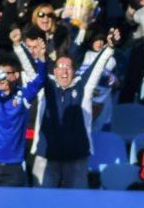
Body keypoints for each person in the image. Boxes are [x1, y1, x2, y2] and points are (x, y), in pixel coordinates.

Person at [31, 29, 119, 188]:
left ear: (74, 71)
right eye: (60, 67)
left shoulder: (83, 86)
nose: (64, 71)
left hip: (77, 158)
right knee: (42, 204)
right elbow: (32, 69)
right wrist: (19, 46)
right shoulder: (45, 85)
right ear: (55, 71)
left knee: (78, 204)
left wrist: (110, 47)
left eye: (68, 67)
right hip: (47, 157)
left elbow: (97, 66)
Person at [0, 50, 47, 187]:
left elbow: (41, 80)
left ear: (16, 75)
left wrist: (42, 59)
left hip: (13, 166)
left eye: (6, 74)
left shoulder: (24, 95)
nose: (1, 78)